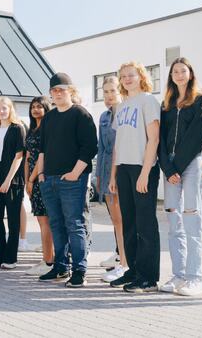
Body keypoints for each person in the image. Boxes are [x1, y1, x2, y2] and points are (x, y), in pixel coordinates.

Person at [36, 74, 97, 287]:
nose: (58, 93)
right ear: (51, 94)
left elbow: (90, 147)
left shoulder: (80, 114)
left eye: (62, 89)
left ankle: (79, 271)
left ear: (70, 90)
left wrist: (74, 173)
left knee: (75, 224)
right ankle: (61, 267)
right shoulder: (50, 118)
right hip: (49, 180)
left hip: (73, 180)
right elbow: (42, 150)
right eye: (54, 90)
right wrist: (41, 175)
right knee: (56, 225)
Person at [158, 58, 202, 296]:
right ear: (171, 76)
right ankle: (178, 276)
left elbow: (196, 137)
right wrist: (168, 169)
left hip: (191, 165)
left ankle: (195, 277)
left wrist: (176, 167)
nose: (179, 74)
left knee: (192, 222)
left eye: (183, 71)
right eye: (175, 71)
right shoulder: (167, 104)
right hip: (170, 169)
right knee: (174, 223)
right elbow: (159, 139)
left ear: (191, 74)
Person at [108, 62, 161, 293]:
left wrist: (145, 173)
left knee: (145, 225)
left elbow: (154, 139)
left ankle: (148, 278)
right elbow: (117, 145)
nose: (127, 79)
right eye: (123, 76)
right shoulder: (121, 106)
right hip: (124, 169)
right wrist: (113, 174)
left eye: (131, 75)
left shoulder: (148, 101)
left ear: (141, 76)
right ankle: (133, 270)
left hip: (143, 168)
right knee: (129, 223)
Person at [0, 97, 26, 269]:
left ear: (10, 109)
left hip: (13, 180)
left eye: (4, 108)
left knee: (13, 220)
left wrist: (8, 180)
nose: (1, 111)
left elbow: (19, 156)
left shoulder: (18, 129)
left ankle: (10, 257)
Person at [96, 77, 128, 283]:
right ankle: (121, 261)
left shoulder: (127, 113)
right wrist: (99, 175)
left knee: (124, 221)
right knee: (116, 221)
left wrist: (113, 176)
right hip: (107, 172)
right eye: (105, 91)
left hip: (123, 172)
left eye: (112, 91)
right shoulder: (104, 117)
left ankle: (125, 265)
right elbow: (101, 148)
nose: (108, 96)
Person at [24, 96, 55, 276]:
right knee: (41, 221)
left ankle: (49, 261)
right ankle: (46, 259)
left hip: (42, 177)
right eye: (33, 107)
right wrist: (27, 179)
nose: (36, 110)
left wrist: (32, 179)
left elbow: (42, 158)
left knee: (47, 222)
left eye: (39, 107)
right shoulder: (31, 129)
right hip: (32, 181)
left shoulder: (47, 128)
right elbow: (28, 157)